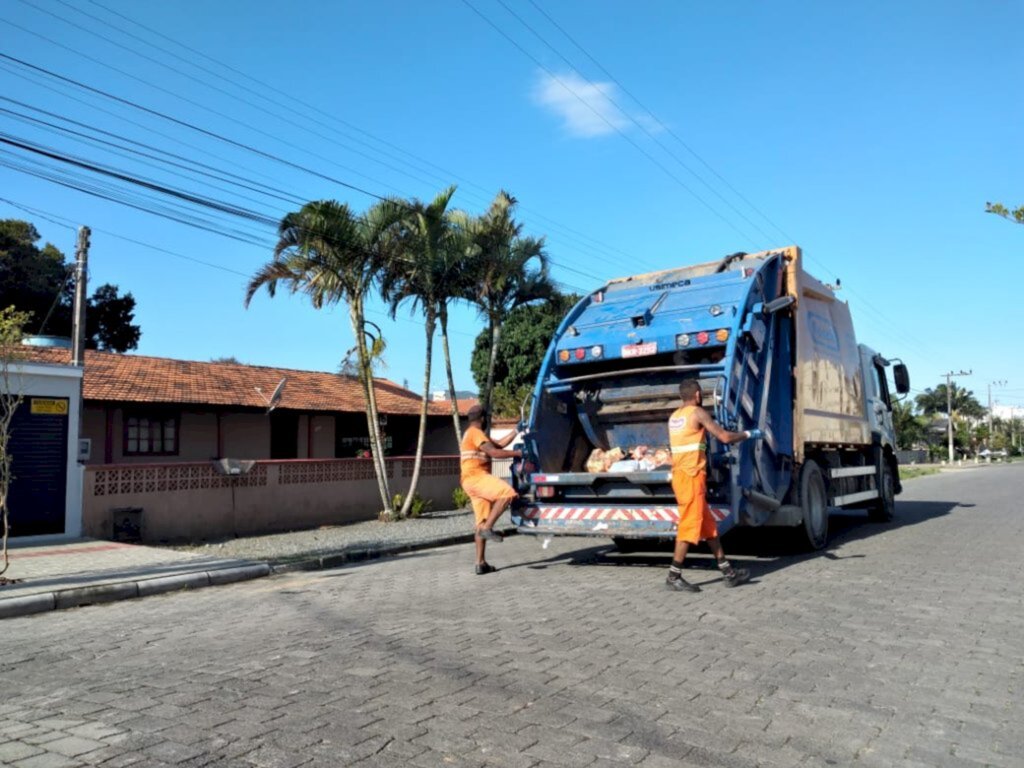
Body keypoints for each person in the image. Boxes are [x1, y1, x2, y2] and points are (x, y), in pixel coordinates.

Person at [665, 379, 762, 592]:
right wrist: (747, 434)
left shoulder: (674, 417)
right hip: (691, 477)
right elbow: (725, 437)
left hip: (681, 476)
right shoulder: (697, 413)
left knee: (708, 527)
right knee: (689, 526)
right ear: (698, 395)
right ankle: (674, 576)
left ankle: (728, 572)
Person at [460, 404, 522, 575]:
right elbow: (494, 453)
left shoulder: (472, 433)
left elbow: (499, 444)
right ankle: (488, 528)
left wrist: (516, 431)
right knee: (507, 493)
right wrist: (518, 454)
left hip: (470, 481)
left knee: (480, 523)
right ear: (482, 418)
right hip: (476, 477)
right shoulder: (476, 433)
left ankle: (480, 563)